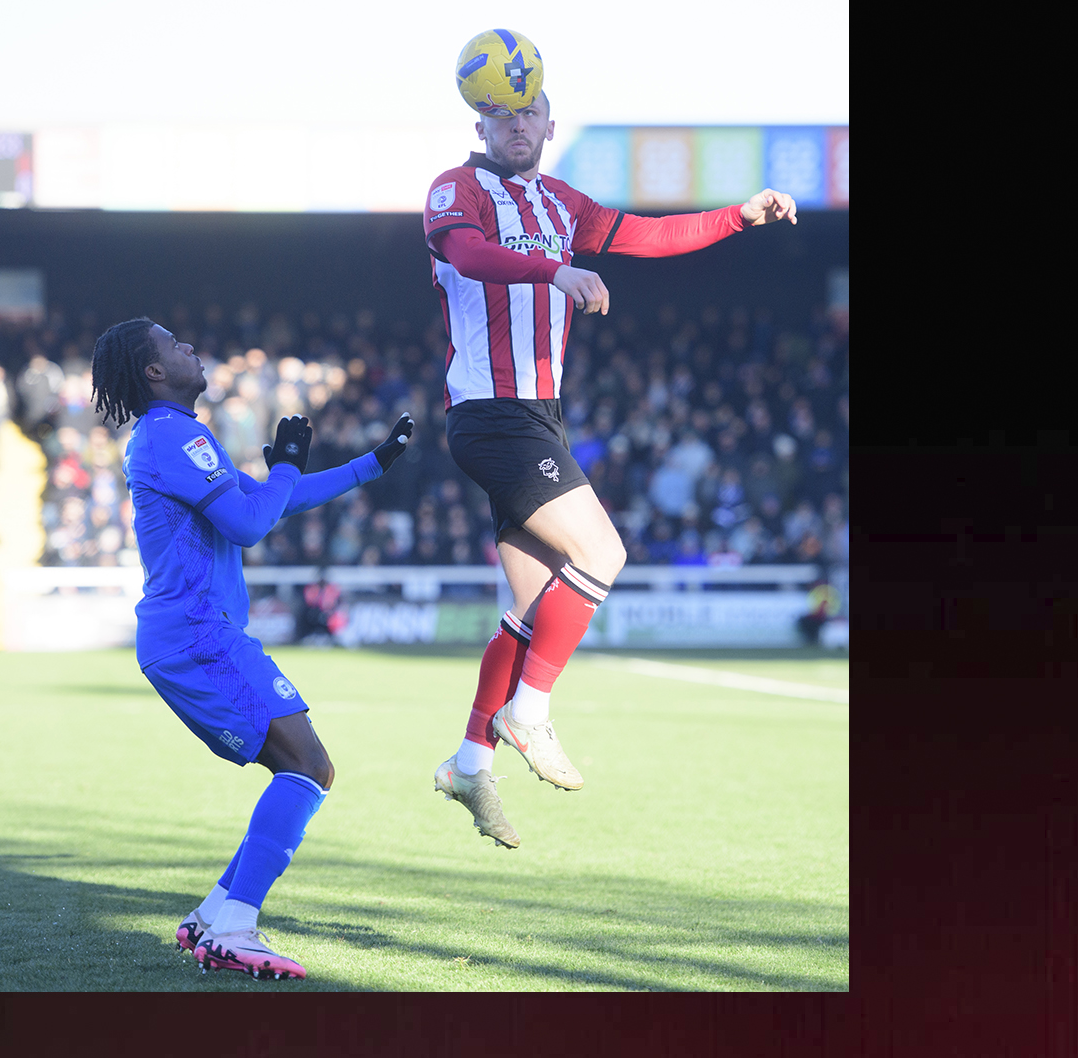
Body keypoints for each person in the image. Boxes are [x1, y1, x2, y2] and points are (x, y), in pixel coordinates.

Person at [422, 89, 798, 848]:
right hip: (491, 412)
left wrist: (739, 216)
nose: (517, 124)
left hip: (539, 416)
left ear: (549, 125)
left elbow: (649, 235)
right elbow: (466, 254)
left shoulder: (562, 202)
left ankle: (470, 764)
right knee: (602, 553)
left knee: (533, 608)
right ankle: (529, 714)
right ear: (480, 124)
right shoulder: (455, 189)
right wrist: (555, 272)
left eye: (529, 112)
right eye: (503, 114)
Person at [90, 316, 413, 981]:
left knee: (300, 767)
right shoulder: (172, 435)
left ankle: (212, 917)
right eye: (173, 344)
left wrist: (370, 465)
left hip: (194, 635)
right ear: (154, 371)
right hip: (198, 635)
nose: (189, 346)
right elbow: (248, 523)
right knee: (309, 766)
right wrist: (287, 466)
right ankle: (235, 927)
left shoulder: (173, 434)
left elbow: (268, 501)